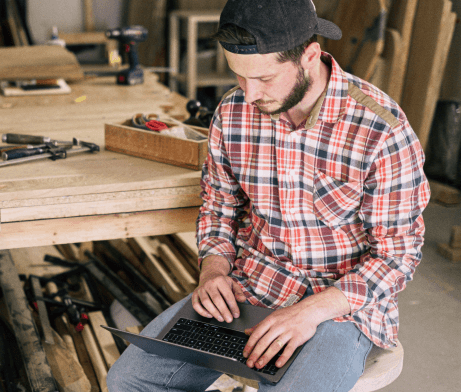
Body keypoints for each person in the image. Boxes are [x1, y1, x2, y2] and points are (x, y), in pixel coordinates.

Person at [107, 0, 430, 391]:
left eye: (264, 78)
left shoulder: (381, 130)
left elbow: (397, 254)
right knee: (130, 381)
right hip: (253, 284)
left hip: (338, 308)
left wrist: (309, 312)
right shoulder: (232, 112)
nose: (249, 93)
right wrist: (213, 270)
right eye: (239, 76)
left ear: (309, 56)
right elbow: (219, 206)